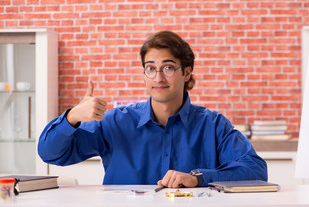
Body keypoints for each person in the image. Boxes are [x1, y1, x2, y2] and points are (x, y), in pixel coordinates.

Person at [38, 31, 267, 188]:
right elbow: (51, 153)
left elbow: (256, 172)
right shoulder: (115, 123)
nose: (158, 78)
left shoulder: (213, 125)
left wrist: (198, 178)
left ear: (186, 73)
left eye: (168, 67)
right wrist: (72, 117)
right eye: (150, 68)